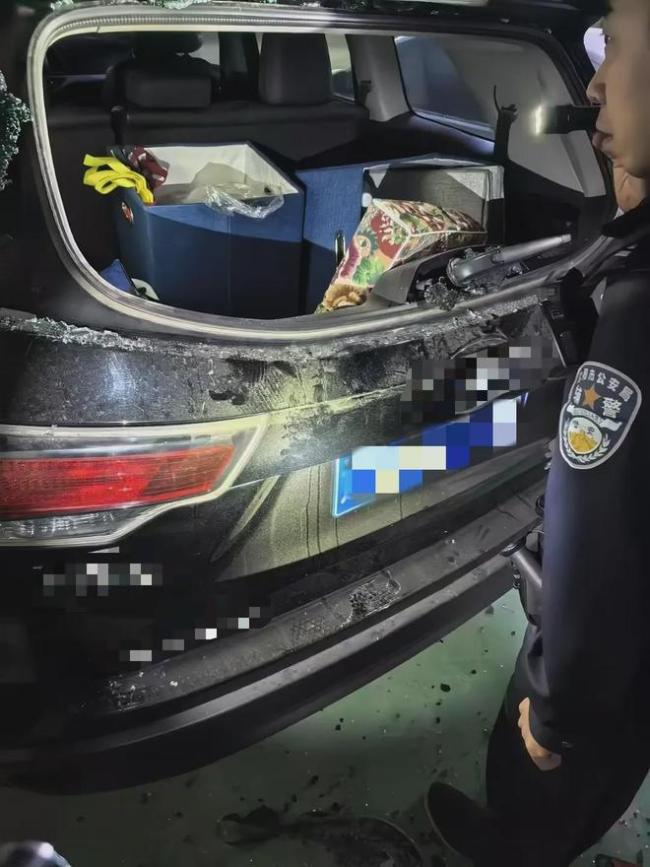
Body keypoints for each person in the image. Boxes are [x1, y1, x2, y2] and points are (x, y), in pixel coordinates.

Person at [424, 2, 650, 864]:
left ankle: (512, 844)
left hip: (599, 667)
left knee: (540, 776)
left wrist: (554, 711)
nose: (593, 86)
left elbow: (598, 554)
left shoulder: (638, 315)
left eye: (614, 49)